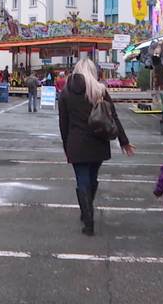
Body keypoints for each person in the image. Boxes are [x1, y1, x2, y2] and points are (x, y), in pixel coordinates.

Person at [58, 58, 135, 236]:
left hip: (76, 144)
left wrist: (66, 147)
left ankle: (88, 218)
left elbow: (64, 124)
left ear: (76, 70)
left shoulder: (66, 93)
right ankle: (88, 209)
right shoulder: (100, 91)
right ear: (93, 71)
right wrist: (124, 141)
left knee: (82, 180)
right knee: (92, 178)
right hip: (99, 142)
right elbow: (113, 117)